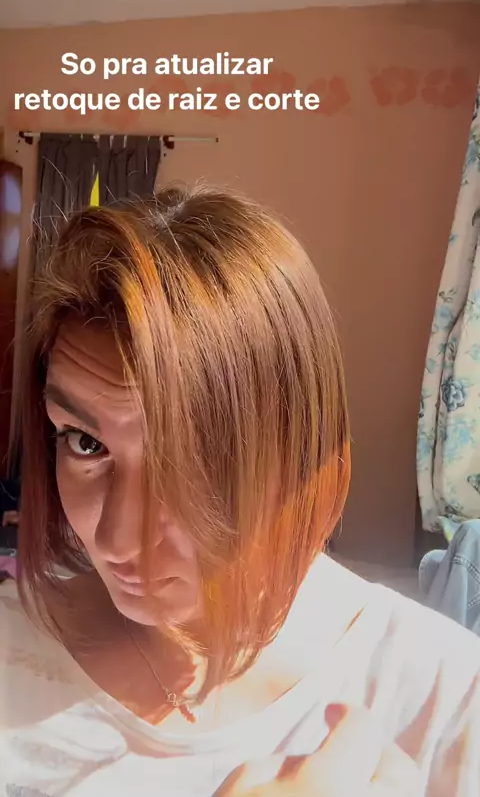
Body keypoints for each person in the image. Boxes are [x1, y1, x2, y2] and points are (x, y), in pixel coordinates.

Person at [0, 185, 479, 797]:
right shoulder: (12, 649)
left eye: (189, 459)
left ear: (300, 452)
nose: (118, 539)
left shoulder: (445, 699)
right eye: (85, 442)